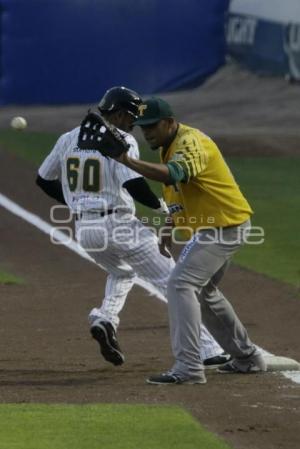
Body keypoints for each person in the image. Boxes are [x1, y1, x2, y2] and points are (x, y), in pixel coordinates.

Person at [36, 87, 228, 369]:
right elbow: (133, 183)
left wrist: (80, 203)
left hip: (85, 229)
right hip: (119, 225)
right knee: (174, 282)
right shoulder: (122, 140)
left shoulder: (68, 138)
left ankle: (105, 318)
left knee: (122, 272)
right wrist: (163, 208)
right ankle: (208, 350)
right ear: (119, 113)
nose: (135, 123)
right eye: (132, 116)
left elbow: (43, 179)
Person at [113, 96, 267, 384]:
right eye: (142, 126)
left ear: (170, 122)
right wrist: (169, 224)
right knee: (203, 291)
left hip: (225, 226)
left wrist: (127, 161)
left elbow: (174, 174)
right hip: (217, 227)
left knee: (180, 283)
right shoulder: (167, 145)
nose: (146, 132)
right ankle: (247, 358)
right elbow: (177, 190)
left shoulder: (190, 143)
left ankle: (189, 367)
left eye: (152, 126)